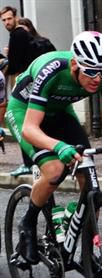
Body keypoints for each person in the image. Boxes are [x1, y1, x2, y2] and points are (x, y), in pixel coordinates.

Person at [5, 31, 102, 266]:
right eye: (90, 71)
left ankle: (87, 253)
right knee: (54, 169)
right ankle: (27, 223)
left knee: (88, 175)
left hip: (60, 112)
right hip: (24, 113)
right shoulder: (50, 70)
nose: (97, 78)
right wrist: (58, 146)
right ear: (74, 64)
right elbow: (31, 129)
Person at [1, 8, 38, 176]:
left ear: (16, 17)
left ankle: (29, 162)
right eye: (4, 20)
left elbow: (15, 65)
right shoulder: (24, 34)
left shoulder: (17, 35)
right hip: (30, 82)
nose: (7, 22)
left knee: (18, 121)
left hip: (24, 84)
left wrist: (8, 61)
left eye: (9, 18)